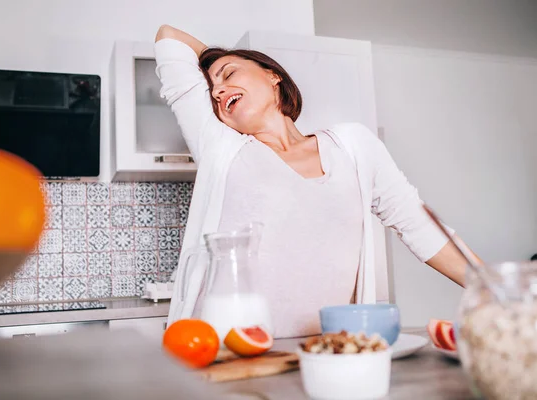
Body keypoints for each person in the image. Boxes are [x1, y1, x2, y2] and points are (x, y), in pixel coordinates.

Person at [154, 25, 481, 338]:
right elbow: (169, 37)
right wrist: (215, 63)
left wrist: (499, 290)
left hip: (325, 349)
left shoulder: (353, 146)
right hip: (227, 353)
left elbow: (419, 226)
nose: (219, 90)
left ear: (272, 74)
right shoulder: (222, 148)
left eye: (229, 74)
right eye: (212, 91)